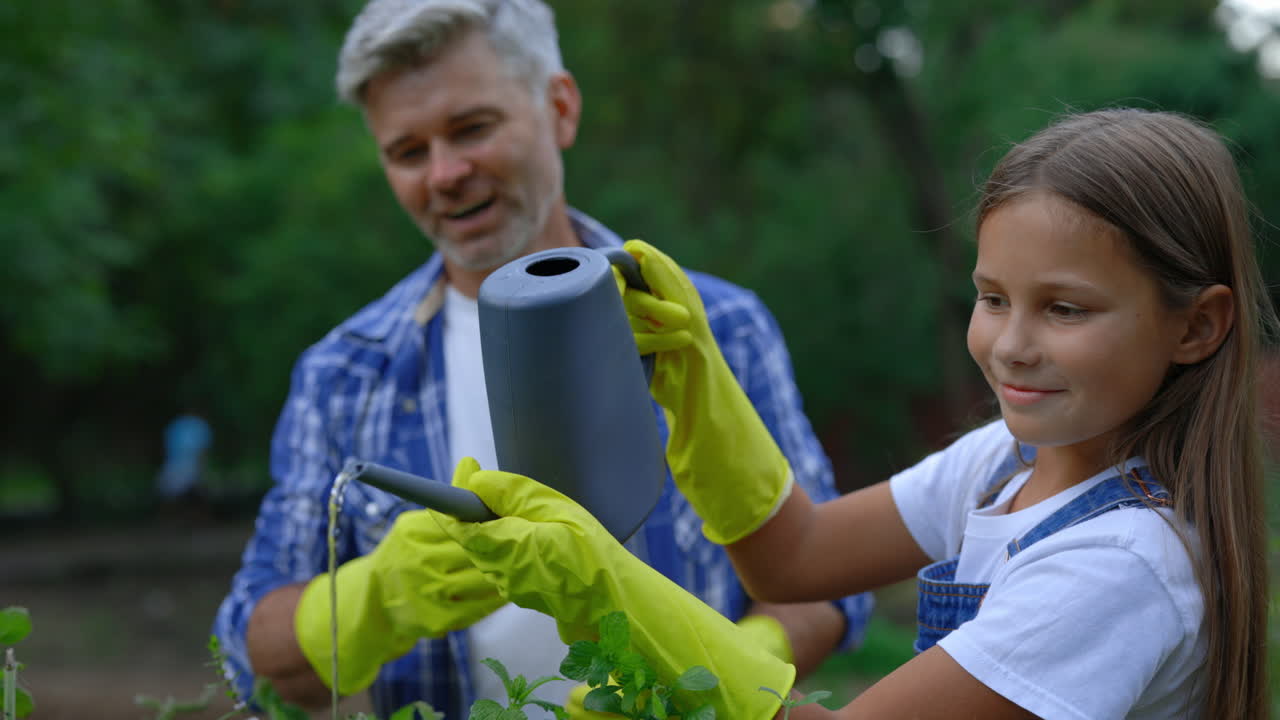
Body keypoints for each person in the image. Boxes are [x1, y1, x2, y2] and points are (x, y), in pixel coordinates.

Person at [426, 108, 1275, 719]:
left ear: (1196, 325)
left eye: (1065, 309)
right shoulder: (1003, 464)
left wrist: (611, 601)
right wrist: (697, 385)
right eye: (991, 297)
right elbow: (794, 560)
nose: (1012, 345)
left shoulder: (1122, 566)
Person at [210, 0, 872, 717]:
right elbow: (254, 661)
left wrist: (711, 679)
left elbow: (829, 584)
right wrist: (386, 594)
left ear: (559, 108)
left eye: (473, 128)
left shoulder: (702, 328)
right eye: (408, 151)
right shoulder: (343, 376)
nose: (444, 173)